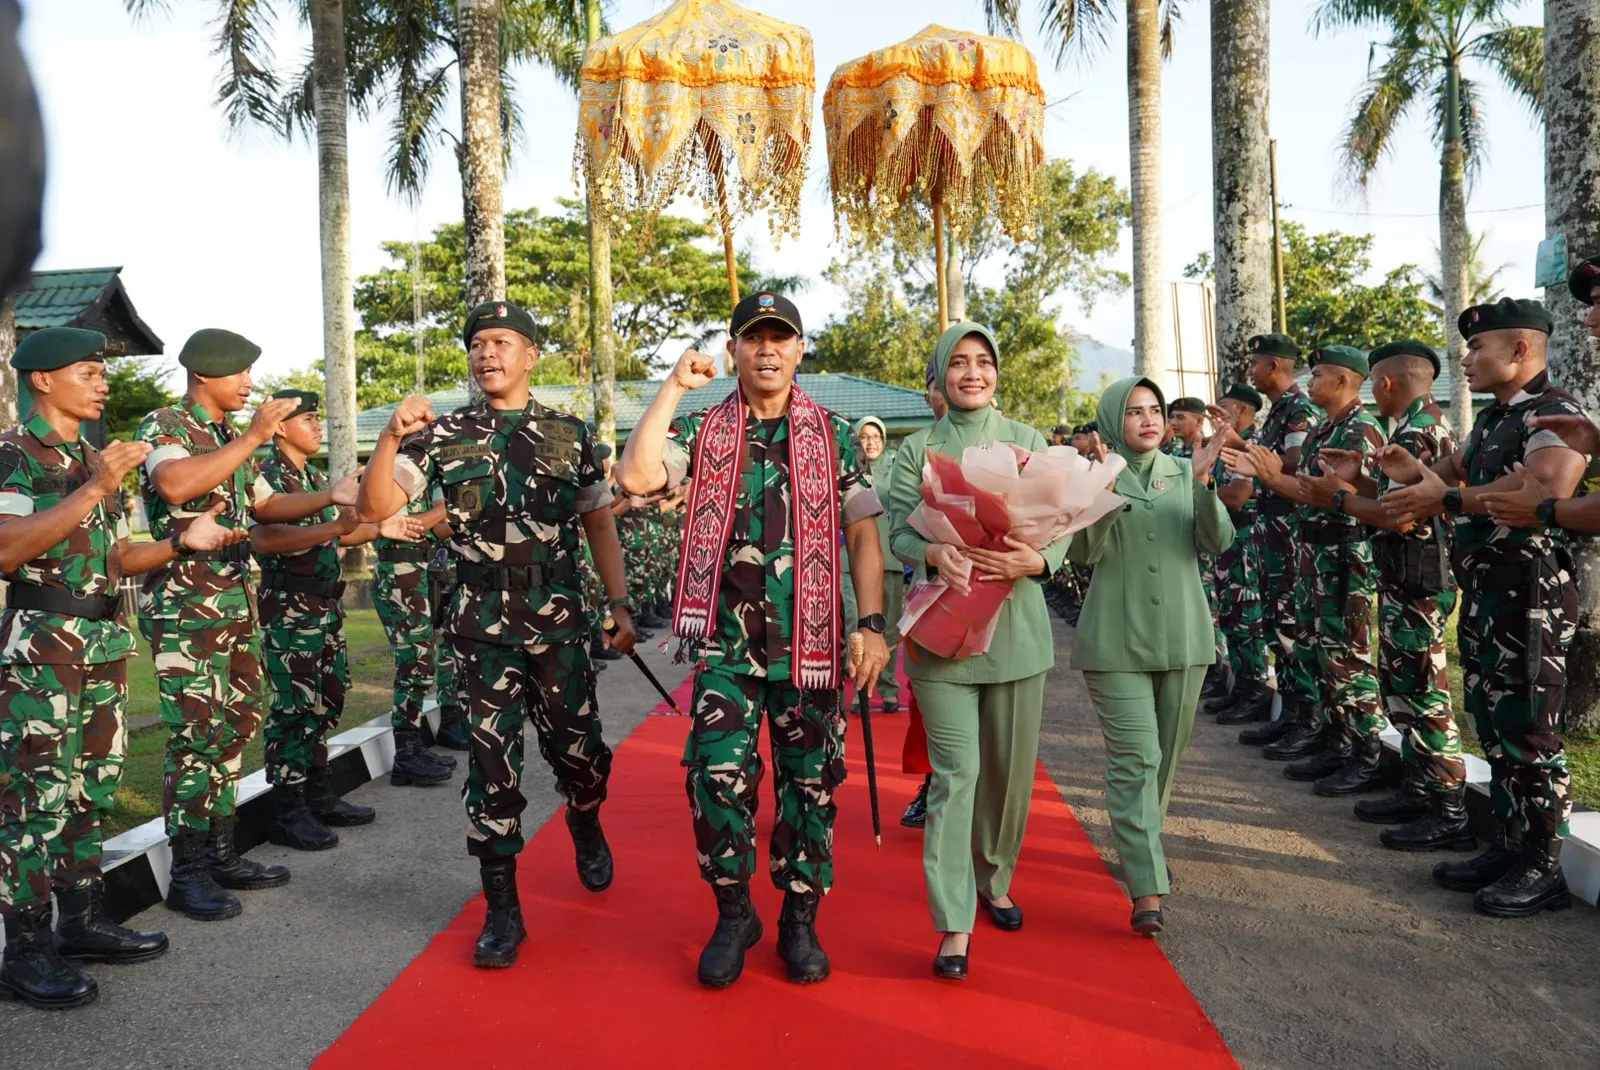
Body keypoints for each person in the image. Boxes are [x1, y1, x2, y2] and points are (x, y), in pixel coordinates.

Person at [618, 291, 888, 989]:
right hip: (726, 653)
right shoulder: (707, 432)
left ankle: (800, 918)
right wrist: (674, 386)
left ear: (800, 351)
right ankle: (734, 911)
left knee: (810, 789)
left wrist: (872, 625)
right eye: (753, 337)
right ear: (734, 348)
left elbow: (862, 529)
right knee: (714, 782)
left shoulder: (829, 433)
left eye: (781, 337)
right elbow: (637, 476)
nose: (767, 349)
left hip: (813, 649)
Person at [354, 299, 635, 967]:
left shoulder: (571, 433)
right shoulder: (440, 434)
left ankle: (585, 816)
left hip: (560, 622)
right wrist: (390, 436)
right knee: (492, 768)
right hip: (482, 628)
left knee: (581, 753)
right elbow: (376, 508)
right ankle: (502, 910)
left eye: (503, 342)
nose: (488, 354)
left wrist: (620, 603)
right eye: (478, 343)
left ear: (531, 356)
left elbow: (598, 523)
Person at [0, 328, 244, 1009]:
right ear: (43, 379)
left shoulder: (89, 454)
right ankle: (23, 950)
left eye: (102, 371)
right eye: (87, 371)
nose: (102, 381)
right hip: (41, 654)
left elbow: (116, 560)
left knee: (88, 794)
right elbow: (7, 548)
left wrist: (176, 541)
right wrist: (96, 485)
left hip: (104, 643)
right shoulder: (16, 454)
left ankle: (80, 924)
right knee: (33, 803)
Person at [1380, 298, 1588, 917]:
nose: (1466, 360)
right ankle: (1509, 842)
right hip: (1488, 593)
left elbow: (1548, 487)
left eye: (1478, 349)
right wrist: (1411, 472)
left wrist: (1447, 497)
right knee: (1493, 728)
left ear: (1520, 350)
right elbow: (1443, 482)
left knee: (1529, 731)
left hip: (1531, 596)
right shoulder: (1498, 421)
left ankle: (1545, 864)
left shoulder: (1554, 412)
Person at [888, 322, 1074, 980]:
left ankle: (994, 880)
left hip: (1018, 637)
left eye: (983, 361)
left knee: (1007, 780)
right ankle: (953, 921)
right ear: (938, 376)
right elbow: (892, 530)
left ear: (997, 372)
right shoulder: (915, 452)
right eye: (958, 363)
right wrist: (930, 549)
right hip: (942, 640)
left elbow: (1064, 526)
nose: (973, 372)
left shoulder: (1026, 440)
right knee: (955, 777)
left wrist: (1043, 558)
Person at [134, 330, 307, 921]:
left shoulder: (230, 438)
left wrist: (335, 497)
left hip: (235, 598)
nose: (250, 384)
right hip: (185, 602)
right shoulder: (164, 425)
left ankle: (222, 851)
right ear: (206, 373)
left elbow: (264, 506)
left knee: (236, 724)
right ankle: (188, 872)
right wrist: (257, 437)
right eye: (241, 374)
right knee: (195, 732)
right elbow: (176, 484)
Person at [1070, 376, 1233, 937]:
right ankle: (1146, 886)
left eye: (1155, 410)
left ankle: (1141, 838)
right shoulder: (1094, 480)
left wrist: (1205, 480)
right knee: (1136, 760)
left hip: (1184, 640)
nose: (1147, 419)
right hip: (1115, 643)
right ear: (1114, 421)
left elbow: (1217, 542)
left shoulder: (1186, 474)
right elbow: (1083, 552)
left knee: (1164, 759)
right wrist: (1101, 491)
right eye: (1134, 411)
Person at [1297, 341, 1466, 848]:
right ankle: (1420, 789)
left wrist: (1341, 496)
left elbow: (1402, 514)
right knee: (1405, 689)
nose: (1373, 393)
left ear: (1386, 383)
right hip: (1404, 575)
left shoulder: (1420, 431)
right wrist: (1362, 480)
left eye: (1374, 383)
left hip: (1419, 576)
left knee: (1424, 691)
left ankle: (1448, 809)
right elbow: (1391, 499)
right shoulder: (1413, 428)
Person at [251, 390, 430, 849]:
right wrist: (340, 525)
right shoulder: (267, 475)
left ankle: (317, 792)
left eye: (317, 418)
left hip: (323, 606)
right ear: (279, 428)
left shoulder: (309, 476)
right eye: (307, 419)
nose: (316, 426)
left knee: (325, 700)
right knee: (292, 708)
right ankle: (288, 807)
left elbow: (339, 531)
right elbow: (273, 535)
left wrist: (379, 528)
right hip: (290, 607)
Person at [1230, 347, 1387, 795]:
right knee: (1317, 651)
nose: (1310, 381)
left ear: (1343, 382)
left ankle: (1366, 751)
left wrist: (1268, 475)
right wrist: (1269, 473)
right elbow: (1303, 486)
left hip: (1343, 555)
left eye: (1318, 375)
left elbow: (1326, 493)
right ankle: (1336, 739)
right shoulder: (1324, 428)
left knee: (1347, 657)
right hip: (1312, 553)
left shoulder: (1361, 429)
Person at [1236, 334, 1321, 754]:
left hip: (1289, 530)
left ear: (1273, 366)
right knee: (1276, 622)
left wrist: (1251, 455)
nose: (1249, 371)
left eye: (1254, 363)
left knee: (1291, 625)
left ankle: (1307, 719)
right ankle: (1290, 714)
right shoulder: (1278, 411)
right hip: (1271, 530)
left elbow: (1293, 463)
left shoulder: (1299, 409)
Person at [371, 468, 463, 789]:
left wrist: (443, 517)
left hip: (418, 570)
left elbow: (435, 529)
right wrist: (444, 509)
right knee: (414, 664)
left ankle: (413, 747)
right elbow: (411, 526)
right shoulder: (396, 473)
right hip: (400, 570)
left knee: (423, 664)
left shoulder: (425, 475)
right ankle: (405, 755)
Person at [1202, 384, 1272, 725]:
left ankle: (1255, 689)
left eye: (1223, 409)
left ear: (1242, 413)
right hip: (1226, 542)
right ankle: (1241, 688)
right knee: (1229, 617)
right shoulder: (1223, 445)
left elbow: (1236, 496)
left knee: (1247, 619)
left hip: (1245, 541)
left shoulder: (1252, 446)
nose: (1215, 417)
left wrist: (1199, 487)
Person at [901, 360, 951, 829]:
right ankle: (932, 783)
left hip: (999, 590)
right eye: (938, 383)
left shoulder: (1008, 443)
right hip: (931, 588)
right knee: (927, 703)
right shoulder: (916, 450)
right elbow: (902, 532)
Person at [841, 415, 902, 712]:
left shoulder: (896, 470)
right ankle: (859, 689)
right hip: (850, 561)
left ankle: (888, 687)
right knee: (856, 622)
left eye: (877, 437)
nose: (871, 442)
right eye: (865, 436)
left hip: (891, 560)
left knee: (888, 627)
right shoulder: (848, 469)